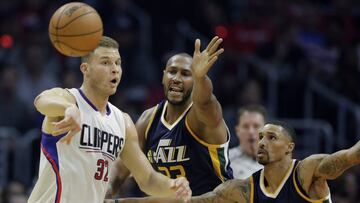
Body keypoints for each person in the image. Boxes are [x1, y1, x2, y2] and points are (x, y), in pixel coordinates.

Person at [28, 36, 191, 203]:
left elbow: (147, 178)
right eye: (105, 62)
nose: (114, 69)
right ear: (86, 68)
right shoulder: (69, 99)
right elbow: (41, 100)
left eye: (117, 63)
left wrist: (173, 185)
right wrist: (69, 109)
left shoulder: (123, 122)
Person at [110, 121, 360, 203]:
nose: (262, 142)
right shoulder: (241, 190)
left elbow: (351, 155)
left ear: (290, 148)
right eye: (260, 137)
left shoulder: (307, 171)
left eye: (271, 138)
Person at [110, 36, 233, 196]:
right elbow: (121, 168)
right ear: (163, 76)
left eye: (186, 74)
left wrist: (201, 78)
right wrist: (104, 193)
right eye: (172, 72)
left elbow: (205, 102)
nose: (176, 79)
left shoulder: (202, 116)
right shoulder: (148, 119)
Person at [229, 104, 266, 179]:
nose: (251, 132)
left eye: (256, 126)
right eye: (245, 126)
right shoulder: (226, 160)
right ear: (237, 131)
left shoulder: (276, 161)